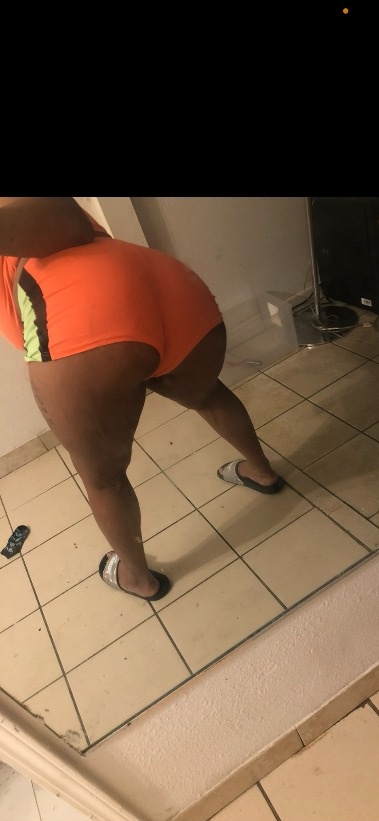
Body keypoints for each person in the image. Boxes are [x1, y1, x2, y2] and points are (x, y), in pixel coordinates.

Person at [0, 197, 284, 600]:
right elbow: (71, 223)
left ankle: (137, 577)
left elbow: (63, 230)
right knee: (208, 394)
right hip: (165, 282)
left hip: (78, 318)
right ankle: (261, 472)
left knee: (104, 479)